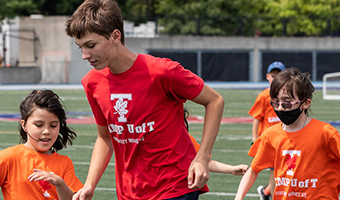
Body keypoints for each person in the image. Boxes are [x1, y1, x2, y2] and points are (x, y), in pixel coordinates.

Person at [66, 0, 225, 199]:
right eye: (80, 47)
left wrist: (202, 157)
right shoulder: (91, 82)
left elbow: (215, 101)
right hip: (129, 193)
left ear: (115, 36)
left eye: (91, 45)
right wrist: (90, 184)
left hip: (174, 188)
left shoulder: (162, 72)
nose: (84, 55)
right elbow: (105, 137)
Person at [233, 68, 340, 200]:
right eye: (276, 103)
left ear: (305, 103)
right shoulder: (270, 135)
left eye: (287, 102)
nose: (281, 108)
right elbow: (253, 171)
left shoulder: (325, 133)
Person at [0, 90, 83, 200]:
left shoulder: (65, 163)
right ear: (24, 125)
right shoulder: (8, 157)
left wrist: (59, 183)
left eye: (53, 125)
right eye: (39, 125)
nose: (46, 131)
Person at [247, 61, 285, 200]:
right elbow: (256, 118)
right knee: (276, 171)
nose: (275, 79)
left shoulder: (287, 95)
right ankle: (272, 194)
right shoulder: (264, 96)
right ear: (267, 76)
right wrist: (254, 138)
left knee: (282, 171)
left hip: (284, 138)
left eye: (279, 75)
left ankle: (267, 191)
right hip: (269, 141)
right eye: (273, 76)